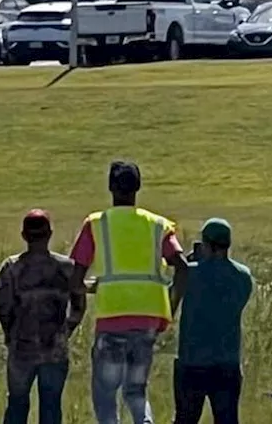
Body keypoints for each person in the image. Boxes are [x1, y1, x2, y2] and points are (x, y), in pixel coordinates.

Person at [70, 161, 190, 424]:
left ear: (111, 187)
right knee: (136, 391)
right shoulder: (158, 225)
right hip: (148, 319)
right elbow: (182, 267)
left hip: (112, 318)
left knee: (105, 394)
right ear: (138, 187)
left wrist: (91, 288)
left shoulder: (96, 224)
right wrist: (170, 308)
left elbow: (74, 278)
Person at [0, 210, 87, 424]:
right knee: (51, 406)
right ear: (49, 234)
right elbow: (79, 305)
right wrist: (66, 331)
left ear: (24, 235)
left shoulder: (11, 268)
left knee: (17, 405)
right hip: (55, 351)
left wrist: (11, 334)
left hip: (21, 350)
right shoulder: (67, 267)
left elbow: (2, 307)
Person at [173, 219, 253, 424]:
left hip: (192, 362)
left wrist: (190, 264)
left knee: (185, 419)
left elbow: (169, 298)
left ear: (206, 244)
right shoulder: (243, 276)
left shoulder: (191, 273)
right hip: (227, 362)